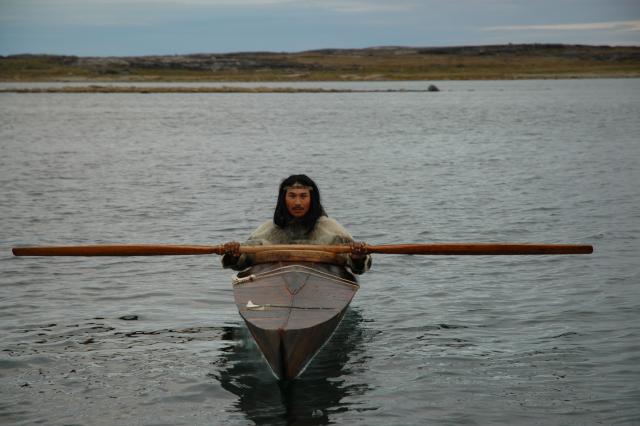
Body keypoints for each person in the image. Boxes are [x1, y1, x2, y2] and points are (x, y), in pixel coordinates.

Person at [222, 174, 371, 274]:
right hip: (275, 287)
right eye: (292, 196)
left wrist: (357, 257)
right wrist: (234, 254)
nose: (298, 202)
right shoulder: (267, 230)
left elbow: (359, 267)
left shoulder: (331, 229)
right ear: (283, 199)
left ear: (312, 199)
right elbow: (243, 260)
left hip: (321, 284)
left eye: (303, 196)